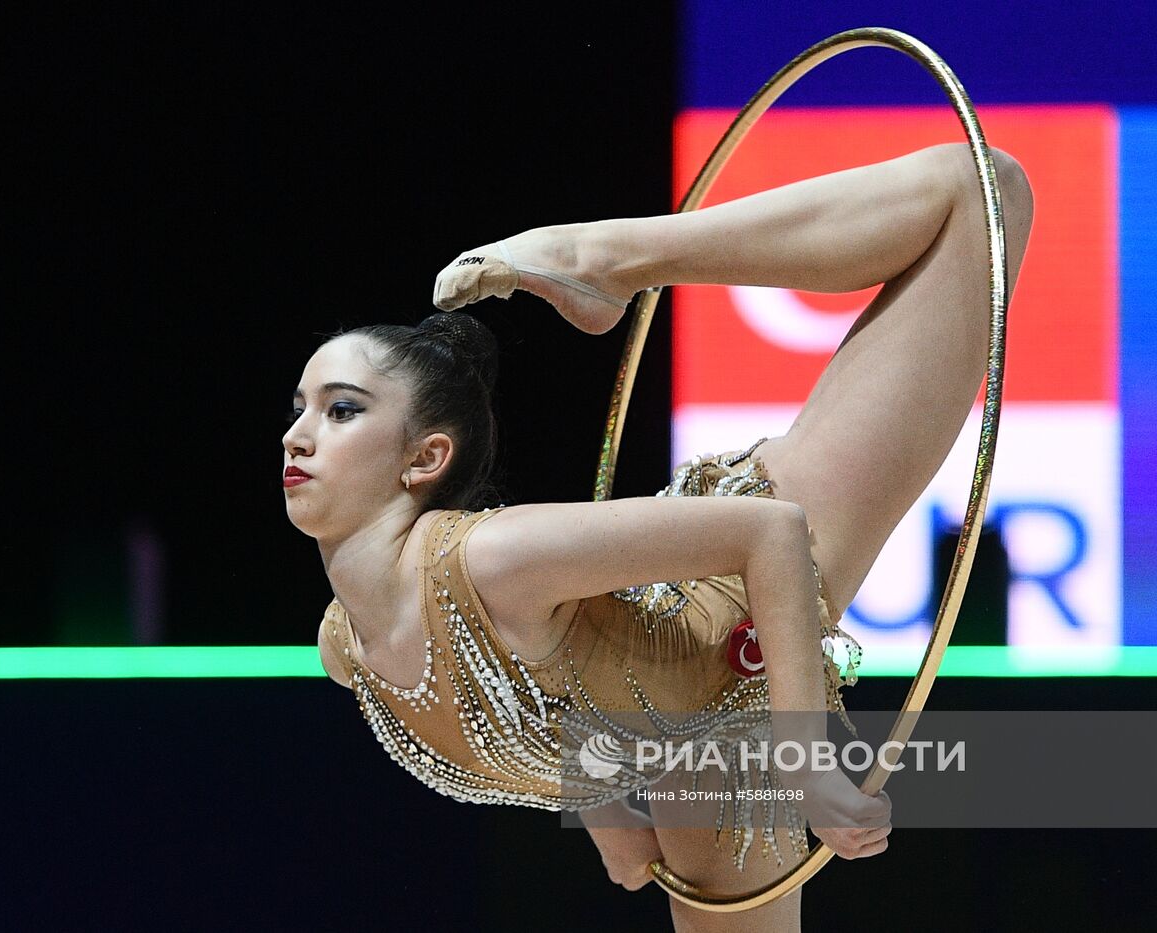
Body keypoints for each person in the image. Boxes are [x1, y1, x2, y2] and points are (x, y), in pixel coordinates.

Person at [287, 141, 1033, 931]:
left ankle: (614, 254)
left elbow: (769, 529)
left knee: (983, 191)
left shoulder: (486, 558)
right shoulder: (348, 645)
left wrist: (808, 766)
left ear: (425, 458)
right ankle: (613, 260)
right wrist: (605, 810)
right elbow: (544, 685)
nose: (296, 436)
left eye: (340, 410)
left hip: (742, 617)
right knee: (980, 196)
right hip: (699, 754)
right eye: (298, 406)